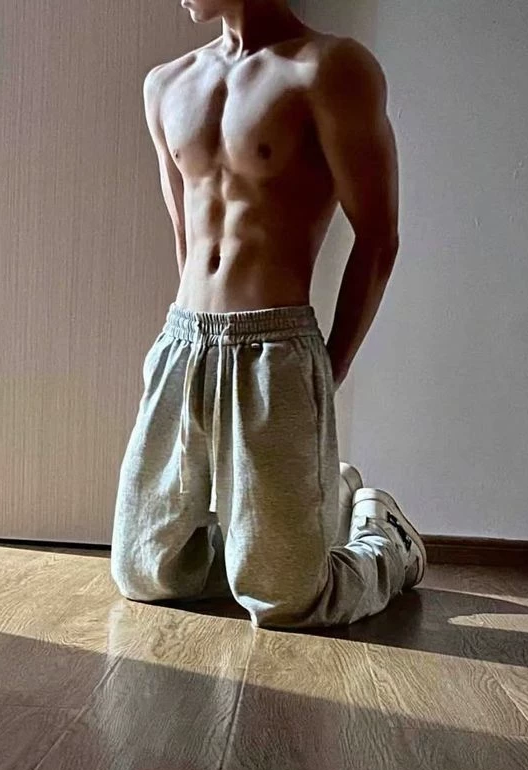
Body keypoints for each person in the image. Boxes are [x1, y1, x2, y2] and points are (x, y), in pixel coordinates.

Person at [110, 0, 427, 628]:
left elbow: (378, 237)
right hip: (183, 341)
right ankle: (305, 512)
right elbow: (186, 237)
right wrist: (182, 343)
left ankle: (383, 539)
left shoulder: (330, 69)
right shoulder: (166, 84)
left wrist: (329, 370)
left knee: (287, 600)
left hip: (275, 345)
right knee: (145, 572)